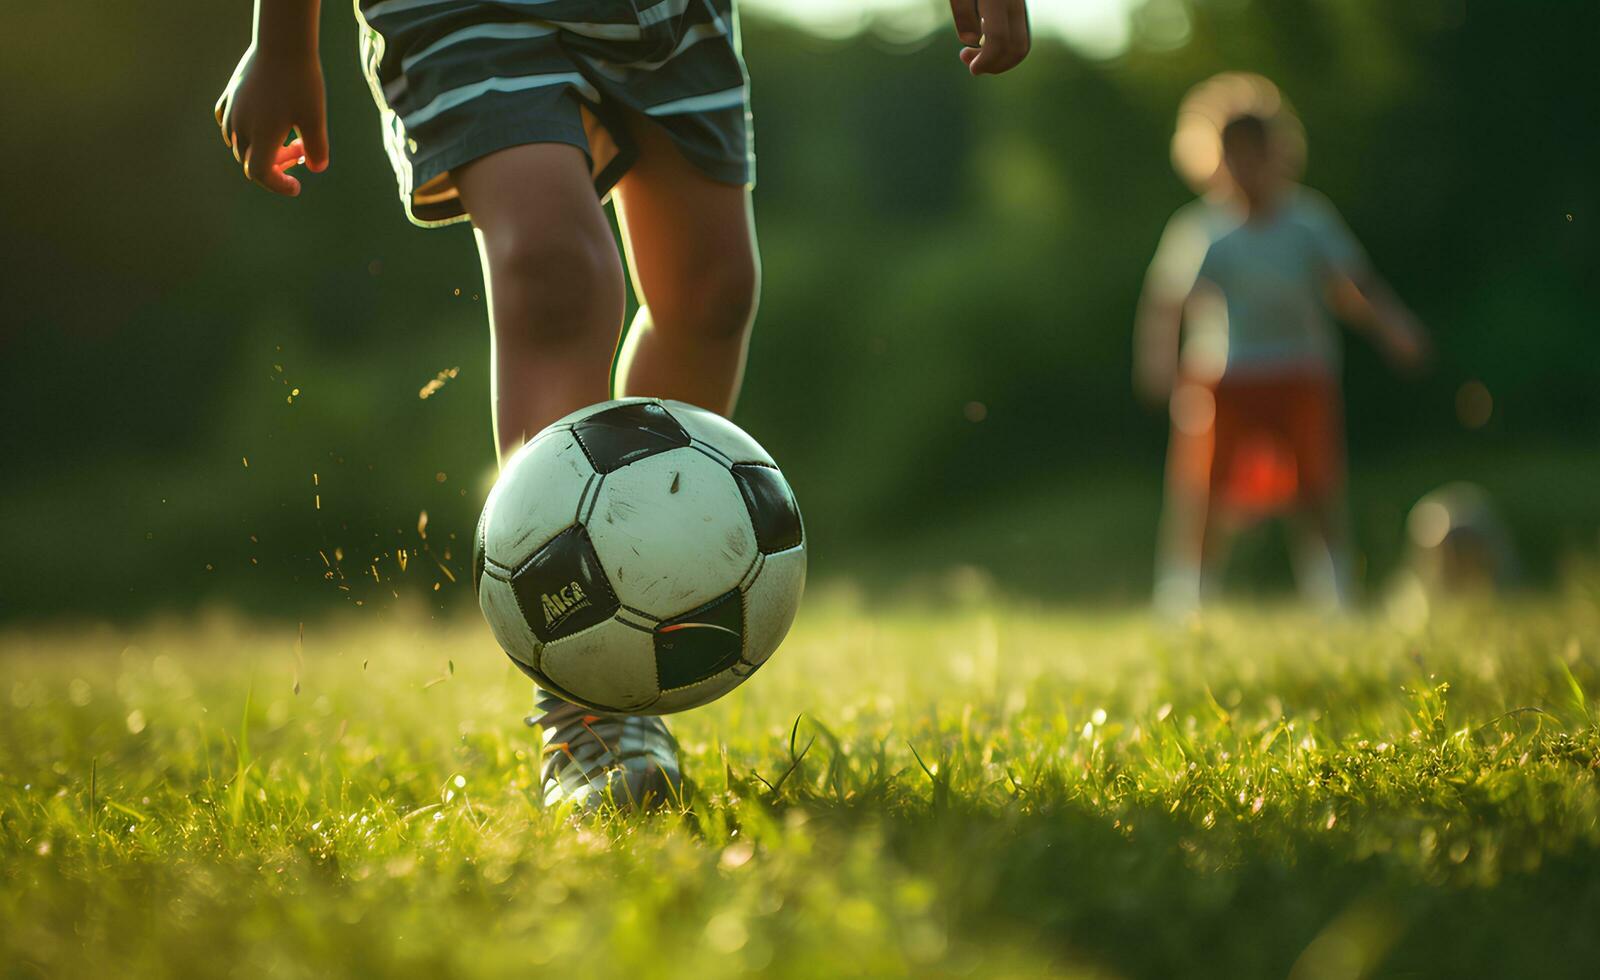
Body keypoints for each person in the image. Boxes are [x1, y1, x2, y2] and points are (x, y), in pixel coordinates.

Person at [213, 0, 1031, 810]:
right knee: (553, 270)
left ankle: (650, 584)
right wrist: (281, 40)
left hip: (668, 15)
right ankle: (586, 711)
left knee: (710, 295)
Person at [1135, 74, 1427, 618]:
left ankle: (1335, 598)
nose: (1247, 166)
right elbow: (1168, 300)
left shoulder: (1308, 221)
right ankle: (1184, 601)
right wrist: (1159, 361)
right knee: (1204, 492)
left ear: (1278, 152)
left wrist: (1394, 327)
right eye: (1233, 154)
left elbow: (1351, 285)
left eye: (1256, 151)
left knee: (1317, 488)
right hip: (1226, 378)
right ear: (1214, 157)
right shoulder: (1204, 230)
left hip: (1300, 372)